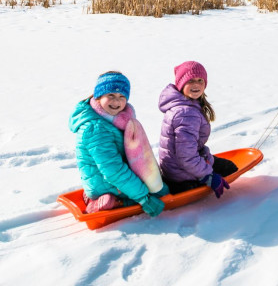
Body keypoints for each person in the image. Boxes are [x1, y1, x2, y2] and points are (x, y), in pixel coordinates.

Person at [69, 71, 168, 216]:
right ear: (98, 96)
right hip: (104, 183)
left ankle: (110, 198)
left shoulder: (114, 119)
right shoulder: (96, 128)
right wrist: (143, 198)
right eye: (111, 96)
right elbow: (113, 169)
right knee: (159, 194)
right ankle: (102, 202)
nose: (116, 102)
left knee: (160, 185)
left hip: (105, 178)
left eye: (122, 97)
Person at [158, 61, 238, 197]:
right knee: (230, 169)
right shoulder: (185, 113)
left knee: (227, 166)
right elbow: (186, 156)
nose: (196, 85)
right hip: (180, 173)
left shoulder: (187, 104)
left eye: (200, 80)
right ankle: (181, 186)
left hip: (175, 166)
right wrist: (208, 176)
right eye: (191, 81)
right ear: (181, 84)